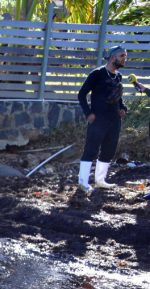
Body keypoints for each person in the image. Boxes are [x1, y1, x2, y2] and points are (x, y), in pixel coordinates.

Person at [77, 46, 129, 194]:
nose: (125, 59)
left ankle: (100, 181)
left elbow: (117, 97)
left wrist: (123, 108)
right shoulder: (97, 74)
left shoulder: (118, 76)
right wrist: (89, 113)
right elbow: (81, 94)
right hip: (99, 119)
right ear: (112, 57)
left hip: (114, 120)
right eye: (122, 56)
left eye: (125, 56)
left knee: (109, 150)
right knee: (91, 150)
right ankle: (83, 182)